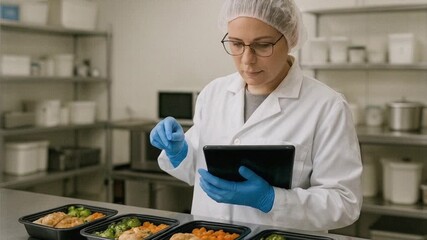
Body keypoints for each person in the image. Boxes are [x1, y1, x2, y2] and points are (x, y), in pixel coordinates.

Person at [150, 0, 362, 232]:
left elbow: (345, 203)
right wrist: (179, 153)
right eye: (236, 43)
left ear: (289, 39)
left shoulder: (326, 106)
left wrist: (272, 200)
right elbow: (198, 173)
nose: (247, 60)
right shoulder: (214, 93)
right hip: (210, 235)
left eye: (262, 45)